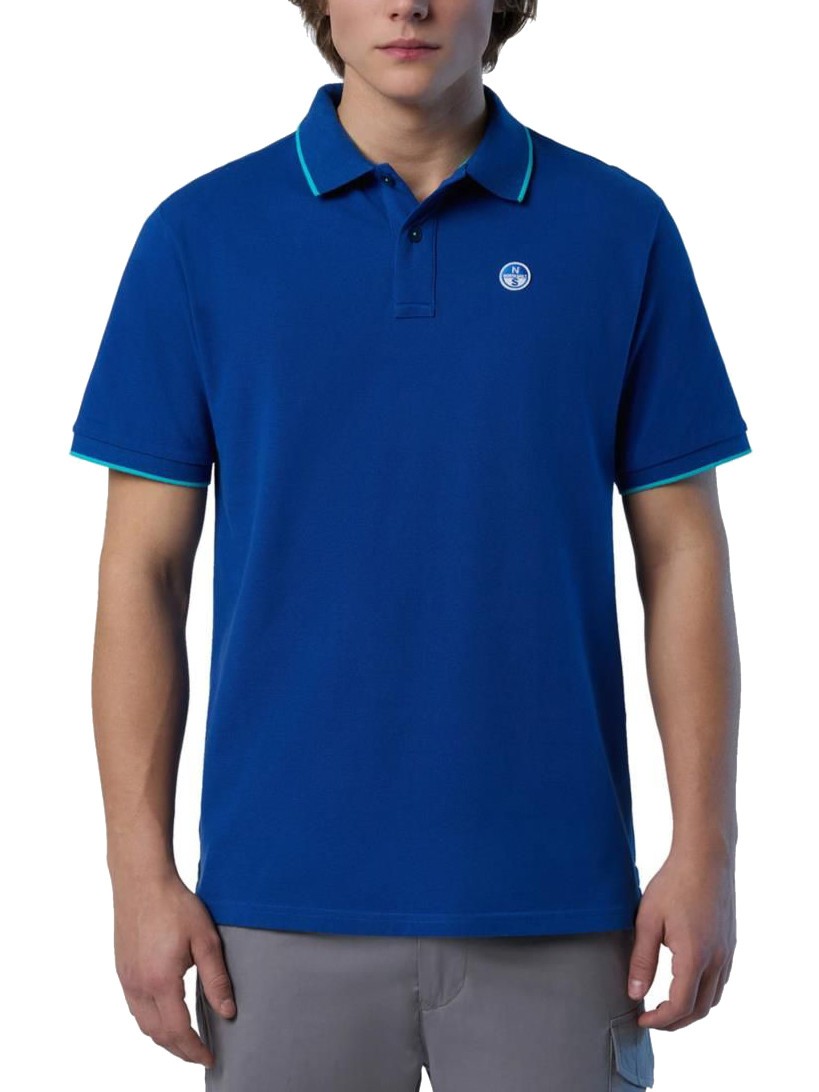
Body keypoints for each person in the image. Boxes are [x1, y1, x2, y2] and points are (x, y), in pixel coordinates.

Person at [68, 0, 751, 1088]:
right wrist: (136, 875)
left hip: (559, 904)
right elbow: (142, 573)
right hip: (274, 913)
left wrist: (705, 847)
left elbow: (683, 554)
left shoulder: (618, 229)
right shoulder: (200, 238)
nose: (409, 3)